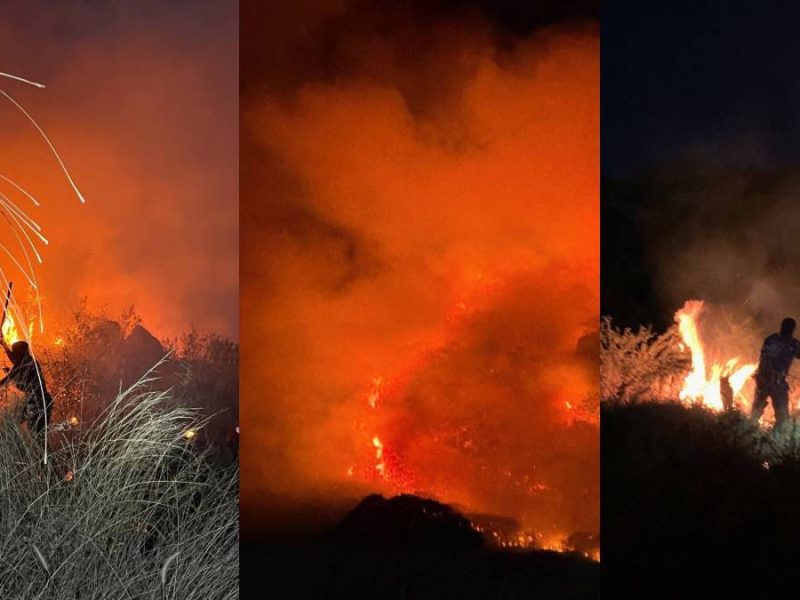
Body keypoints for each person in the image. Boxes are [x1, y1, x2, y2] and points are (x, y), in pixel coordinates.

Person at [751, 317, 800, 428]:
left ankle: (777, 435)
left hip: (778, 384)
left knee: (783, 418)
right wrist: (771, 375)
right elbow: (765, 359)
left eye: (789, 329)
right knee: (755, 414)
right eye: (786, 328)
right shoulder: (772, 341)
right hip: (764, 382)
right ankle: (749, 432)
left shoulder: (793, 344)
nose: (787, 331)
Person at [0, 340, 53, 434]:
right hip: (37, 402)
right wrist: (4, 344)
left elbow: (7, 379)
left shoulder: (26, 364)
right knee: (16, 422)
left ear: (20, 353)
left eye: (15, 352)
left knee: (37, 433)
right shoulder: (26, 361)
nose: (13, 355)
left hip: (39, 404)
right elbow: (14, 360)